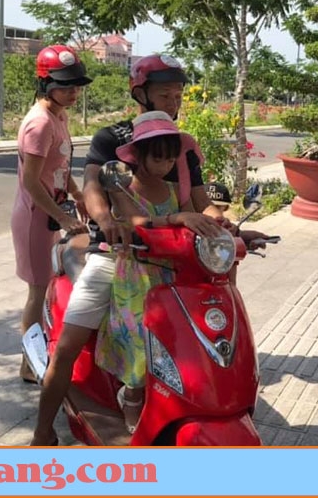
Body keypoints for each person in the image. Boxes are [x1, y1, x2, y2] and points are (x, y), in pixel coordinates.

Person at [30, 54, 267, 445]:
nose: (174, 101)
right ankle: (42, 433)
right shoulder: (112, 138)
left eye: (178, 95)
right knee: (68, 346)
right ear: (141, 93)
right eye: (165, 94)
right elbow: (94, 186)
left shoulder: (178, 148)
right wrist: (105, 220)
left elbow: (199, 204)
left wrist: (228, 227)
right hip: (116, 255)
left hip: (173, 263)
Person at [96, 111, 222, 432]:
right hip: (137, 277)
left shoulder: (173, 190)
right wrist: (175, 219)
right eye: (157, 158)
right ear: (138, 155)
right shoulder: (123, 189)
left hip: (172, 276)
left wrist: (221, 226)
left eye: (170, 159)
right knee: (141, 342)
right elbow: (135, 222)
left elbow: (194, 220)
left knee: (175, 340)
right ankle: (132, 397)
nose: (165, 165)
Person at [11, 45, 90, 383]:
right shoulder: (40, 124)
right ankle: (29, 365)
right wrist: (64, 217)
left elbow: (59, 167)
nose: (73, 93)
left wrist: (77, 195)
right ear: (45, 84)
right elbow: (31, 181)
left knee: (46, 289)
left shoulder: (59, 116)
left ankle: (36, 358)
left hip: (51, 213)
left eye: (76, 86)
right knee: (37, 291)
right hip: (35, 217)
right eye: (65, 86)